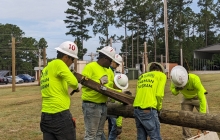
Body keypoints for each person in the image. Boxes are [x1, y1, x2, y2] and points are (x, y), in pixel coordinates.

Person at [40, 41, 81, 140]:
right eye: (72, 59)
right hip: (60, 114)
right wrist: (77, 87)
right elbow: (74, 82)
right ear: (66, 57)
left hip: (45, 115)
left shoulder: (47, 68)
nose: (72, 62)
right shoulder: (59, 63)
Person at [81, 46, 116, 140]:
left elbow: (112, 86)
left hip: (103, 105)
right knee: (91, 135)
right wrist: (98, 81)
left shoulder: (109, 71)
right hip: (91, 105)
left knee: (99, 134)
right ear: (104, 58)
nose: (111, 63)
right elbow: (83, 84)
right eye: (110, 60)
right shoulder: (90, 67)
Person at [170, 65, 208, 140]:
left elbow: (202, 97)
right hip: (186, 98)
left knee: (206, 118)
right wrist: (177, 88)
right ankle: (187, 137)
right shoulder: (174, 79)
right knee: (184, 118)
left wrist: (202, 113)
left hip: (197, 97)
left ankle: (206, 134)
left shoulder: (194, 79)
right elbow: (174, 93)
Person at [133, 62, 166, 140]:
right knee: (155, 137)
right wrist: (158, 108)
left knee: (141, 137)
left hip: (137, 109)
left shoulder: (142, 76)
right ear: (160, 70)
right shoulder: (161, 75)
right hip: (148, 109)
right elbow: (159, 95)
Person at [106, 54, 123, 140]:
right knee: (113, 122)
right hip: (109, 99)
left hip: (110, 98)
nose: (117, 66)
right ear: (112, 62)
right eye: (116, 64)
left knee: (111, 122)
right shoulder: (108, 70)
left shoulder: (111, 71)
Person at [108, 73, 129, 140]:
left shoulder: (108, 88)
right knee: (113, 132)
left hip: (104, 111)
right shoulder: (121, 95)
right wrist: (119, 125)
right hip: (114, 115)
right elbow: (119, 113)